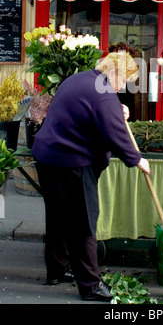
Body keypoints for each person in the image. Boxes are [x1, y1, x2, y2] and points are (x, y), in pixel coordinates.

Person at [32, 51, 150, 302]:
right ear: (114, 72)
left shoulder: (81, 79)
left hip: (47, 157)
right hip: (71, 163)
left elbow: (90, 109)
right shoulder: (104, 94)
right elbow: (113, 133)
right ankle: (90, 285)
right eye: (125, 79)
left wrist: (116, 109)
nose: (124, 85)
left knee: (58, 218)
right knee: (83, 223)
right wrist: (137, 159)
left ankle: (57, 270)